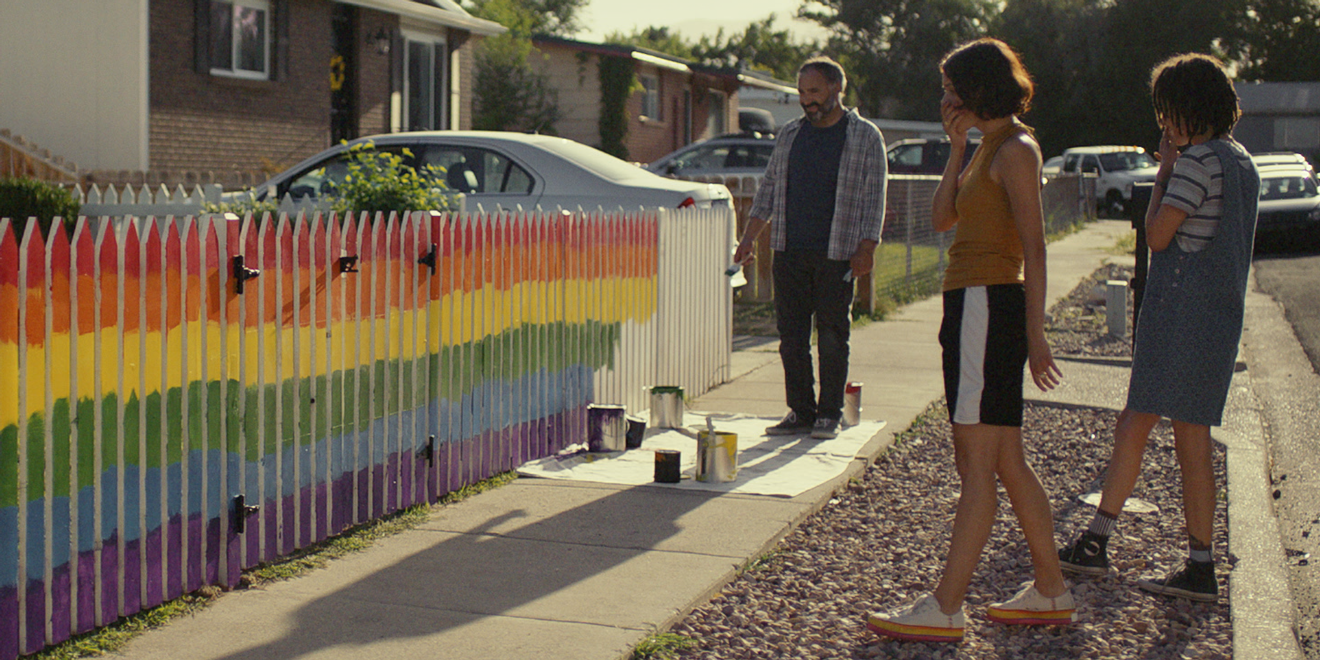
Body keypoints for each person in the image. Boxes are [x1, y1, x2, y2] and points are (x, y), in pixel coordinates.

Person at [867, 38, 1073, 643]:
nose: (944, 97)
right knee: (1005, 461)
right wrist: (956, 148)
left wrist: (1036, 333)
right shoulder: (984, 146)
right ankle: (1051, 588)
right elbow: (940, 220)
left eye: (952, 88)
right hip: (972, 304)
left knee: (976, 465)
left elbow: (1034, 247)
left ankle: (947, 604)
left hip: (989, 305)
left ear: (978, 89)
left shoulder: (1017, 150)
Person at [1057, 53, 1259, 603]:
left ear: (1187, 108)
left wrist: (1166, 170)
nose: (1162, 124)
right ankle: (1184, 558)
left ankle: (1114, 546)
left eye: (1167, 111)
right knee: (1179, 434)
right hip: (1217, 318)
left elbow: (1157, 236)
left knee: (1148, 426)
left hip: (1178, 315)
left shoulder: (1195, 164)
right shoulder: (1242, 162)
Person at [733, 56, 887, 440]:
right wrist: (749, 237)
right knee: (791, 339)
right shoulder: (790, 135)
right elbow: (767, 190)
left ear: (837, 89)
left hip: (837, 253)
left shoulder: (865, 136)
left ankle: (828, 413)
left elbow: (874, 199)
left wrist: (866, 248)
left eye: (815, 92)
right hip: (789, 249)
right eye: (802, 93)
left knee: (833, 336)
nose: (807, 100)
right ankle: (800, 411)